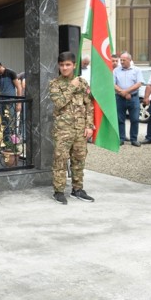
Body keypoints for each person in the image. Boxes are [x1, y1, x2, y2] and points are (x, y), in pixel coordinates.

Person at [48, 52, 95, 204]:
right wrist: (71, 86)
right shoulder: (54, 84)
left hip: (80, 129)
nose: (64, 68)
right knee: (60, 160)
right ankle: (59, 191)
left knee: (79, 160)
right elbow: (59, 103)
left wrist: (89, 126)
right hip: (63, 130)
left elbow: (89, 105)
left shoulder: (82, 82)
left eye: (68, 65)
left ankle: (77, 189)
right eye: (62, 65)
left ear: (74, 65)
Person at [113, 52, 143, 146]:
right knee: (120, 119)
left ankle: (133, 139)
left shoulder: (137, 70)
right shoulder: (116, 71)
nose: (121, 62)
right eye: (120, 60)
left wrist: (126, 92)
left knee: (134, 119)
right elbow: (113, 84)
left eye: (124, 60)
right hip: (119, 98)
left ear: (130, 60)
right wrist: (123, 93)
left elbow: (138, 84)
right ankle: (121, 138)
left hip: (133, 98)